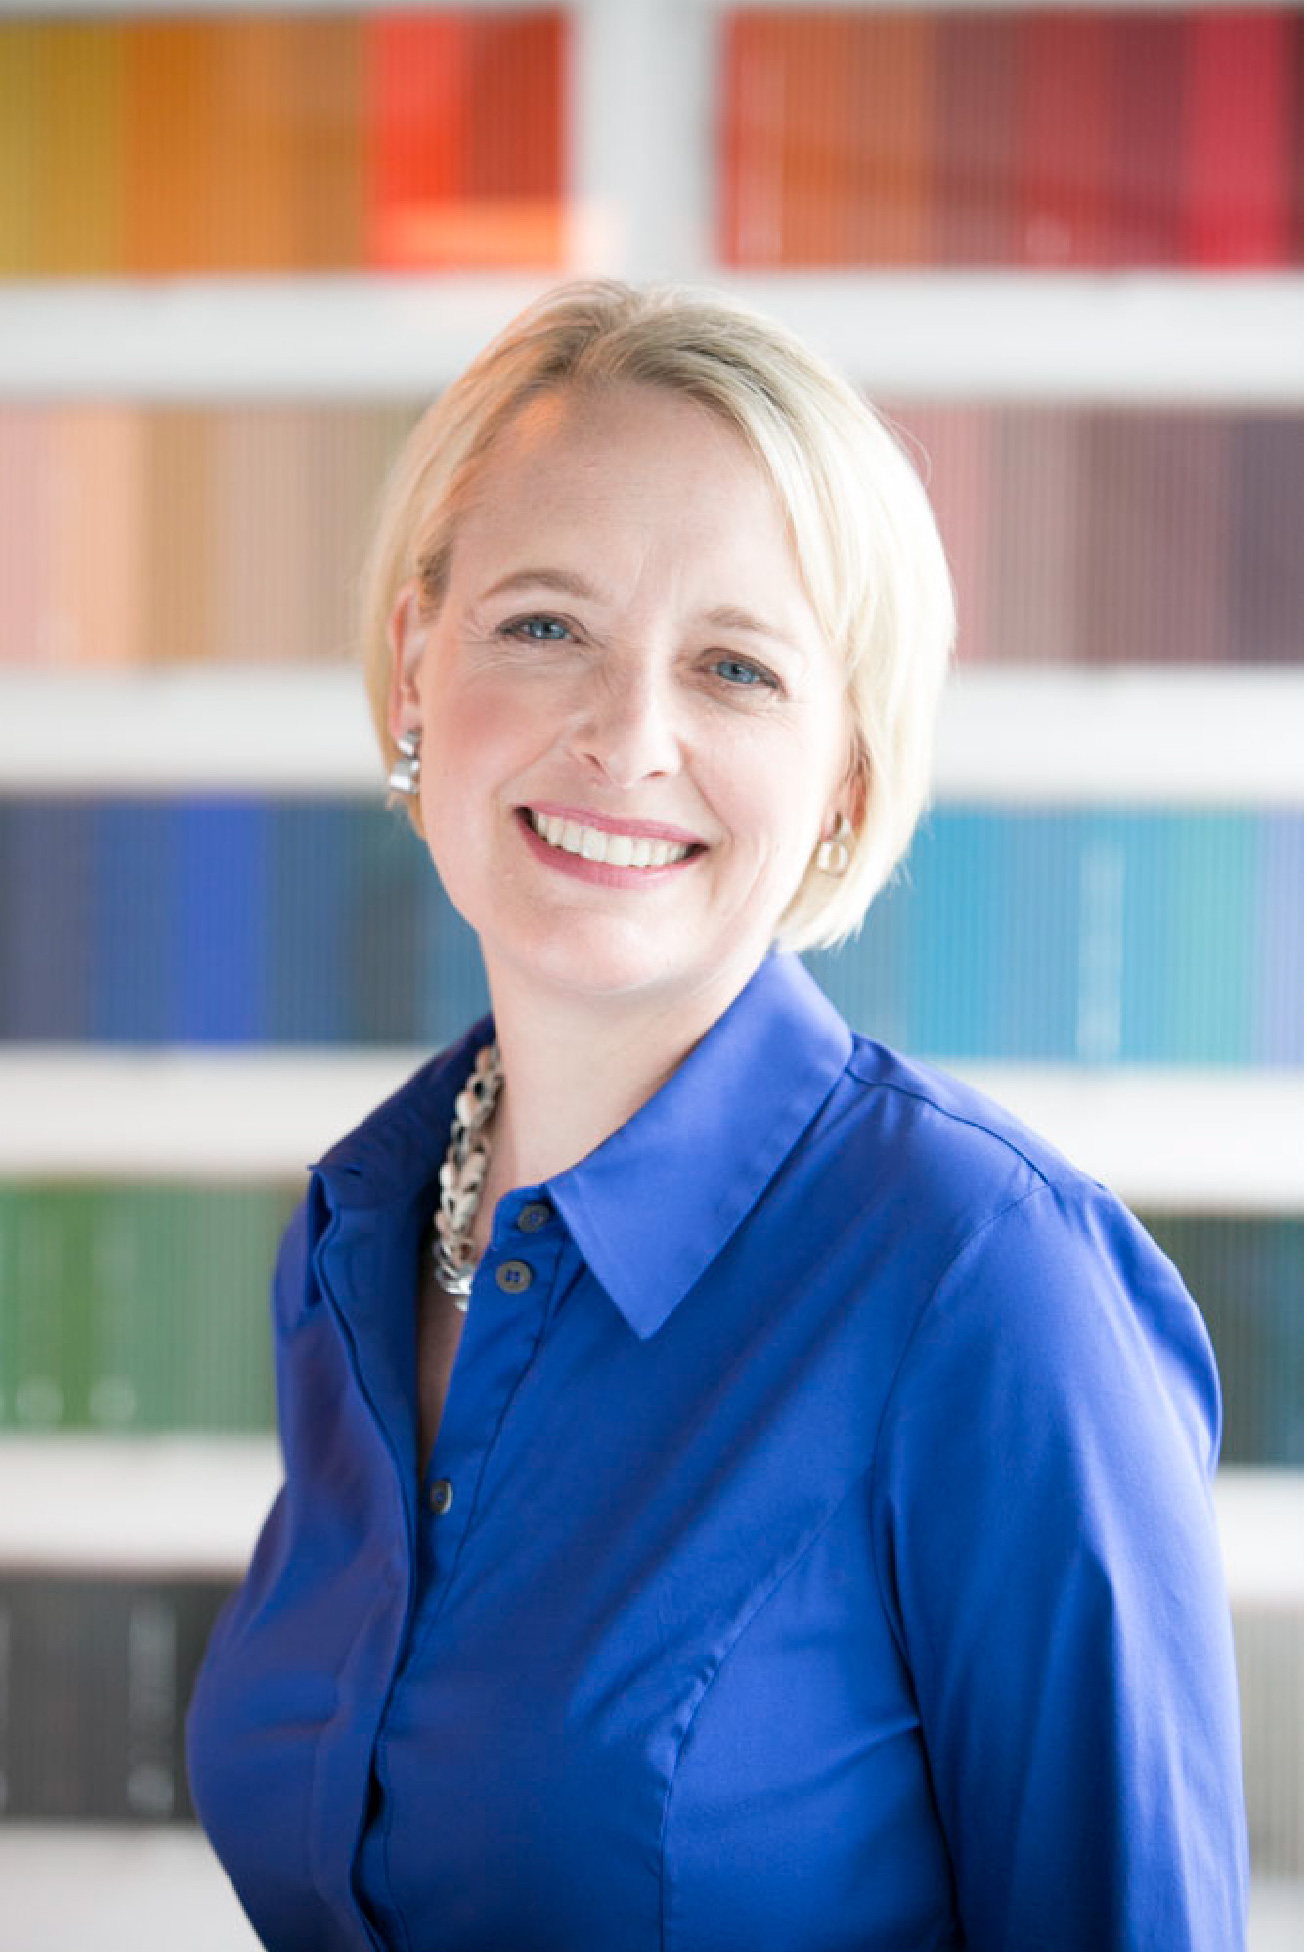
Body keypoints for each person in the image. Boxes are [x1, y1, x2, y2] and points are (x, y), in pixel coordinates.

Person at [187, 281, 1248, 1951]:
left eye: (736, 668)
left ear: (845, 779)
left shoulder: (989, 1285)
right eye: (545, 626)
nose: (627, 738)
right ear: (414, 667)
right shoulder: (355, 1241)